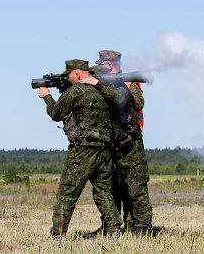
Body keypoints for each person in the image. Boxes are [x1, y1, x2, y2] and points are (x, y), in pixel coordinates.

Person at [38, 59, 122, 238]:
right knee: (103, 191)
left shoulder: (77, 91)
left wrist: (46, 96)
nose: (67, 79)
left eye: (69, 75)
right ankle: (114, 230)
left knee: (67, 191)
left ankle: (58, 235)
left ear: (77, 74)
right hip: (104, 148)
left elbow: (56, 113)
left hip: (83, 149)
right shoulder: (102, 91)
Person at [81, 50, 152, 235]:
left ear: (110, 65)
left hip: (130, 142)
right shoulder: (99, 82)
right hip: (109, 142)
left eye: (101, 65)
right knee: (111, 187)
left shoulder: (129, 81)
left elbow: (137, 103)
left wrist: (112, 87)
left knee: (135, 187)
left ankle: (140, 227)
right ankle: (111, 227)